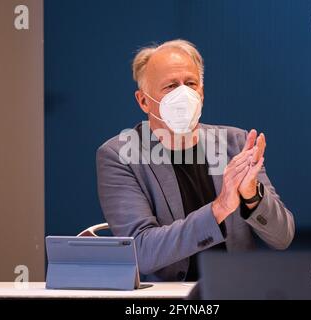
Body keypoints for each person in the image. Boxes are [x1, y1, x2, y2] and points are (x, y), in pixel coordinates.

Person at [96, 39, 295, 281]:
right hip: (168, 300)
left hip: (236, 292)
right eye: (170, 86)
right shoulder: (120, 155)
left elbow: (283, 237)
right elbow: (142, 251)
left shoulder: (236, 144)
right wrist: (219, 208)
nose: (184, 93)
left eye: (191, 83)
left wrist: (252, 196)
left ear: (201, 91)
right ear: (143, 101)